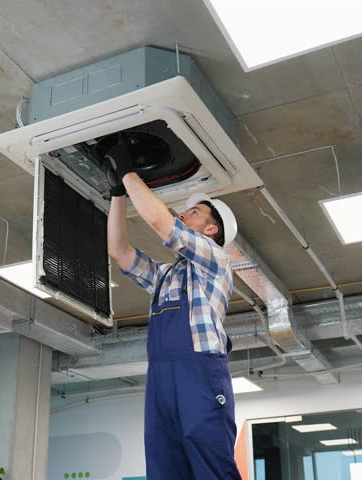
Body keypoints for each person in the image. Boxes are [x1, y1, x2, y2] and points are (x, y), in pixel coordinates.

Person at [105, 138, 242, 480]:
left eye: (193, 213)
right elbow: (120, 252)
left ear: (211, 230)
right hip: (160, 378)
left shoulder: (216, 260)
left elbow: (160, 223)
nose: (183, 214)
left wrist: (128, 172)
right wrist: (116, 195)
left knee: (212, 467)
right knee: (164, 468)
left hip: (199, 372)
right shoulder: (165, 276)